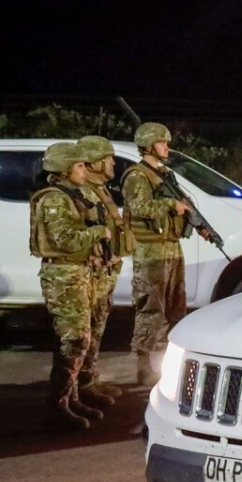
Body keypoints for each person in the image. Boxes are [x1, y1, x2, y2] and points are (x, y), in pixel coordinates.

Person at [28, 142, 113, 430]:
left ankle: (70, 398)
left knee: (77, 340)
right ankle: (57, 406)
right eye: (79, 165)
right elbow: (65, 241)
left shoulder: (69, 195)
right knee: (74, 340)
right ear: (64, 170)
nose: (84, 169)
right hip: (63, 276)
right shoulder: (53, 199)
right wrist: (98, 232)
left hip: (78, 273)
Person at [123, 122, 192, 385]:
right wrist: (170, 205)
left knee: (176, 309)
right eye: (163, 142)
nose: (167, 147)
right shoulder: (137, 176)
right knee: (151, 308)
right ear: (150, 145)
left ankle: (170, 366)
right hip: (150, 249)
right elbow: (139, 207)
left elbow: (184, 202)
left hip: (171, 246)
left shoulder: (164, 173)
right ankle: (143, 366)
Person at [76, 135, 135, 403]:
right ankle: (79, 386)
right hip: (91, 274)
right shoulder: (83, 192)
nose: (113, 162)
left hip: (105, 272)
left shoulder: (100, 188)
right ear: (95, 161)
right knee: (83, 332)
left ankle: (89, 380)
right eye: (108, 158)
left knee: (96, 328)